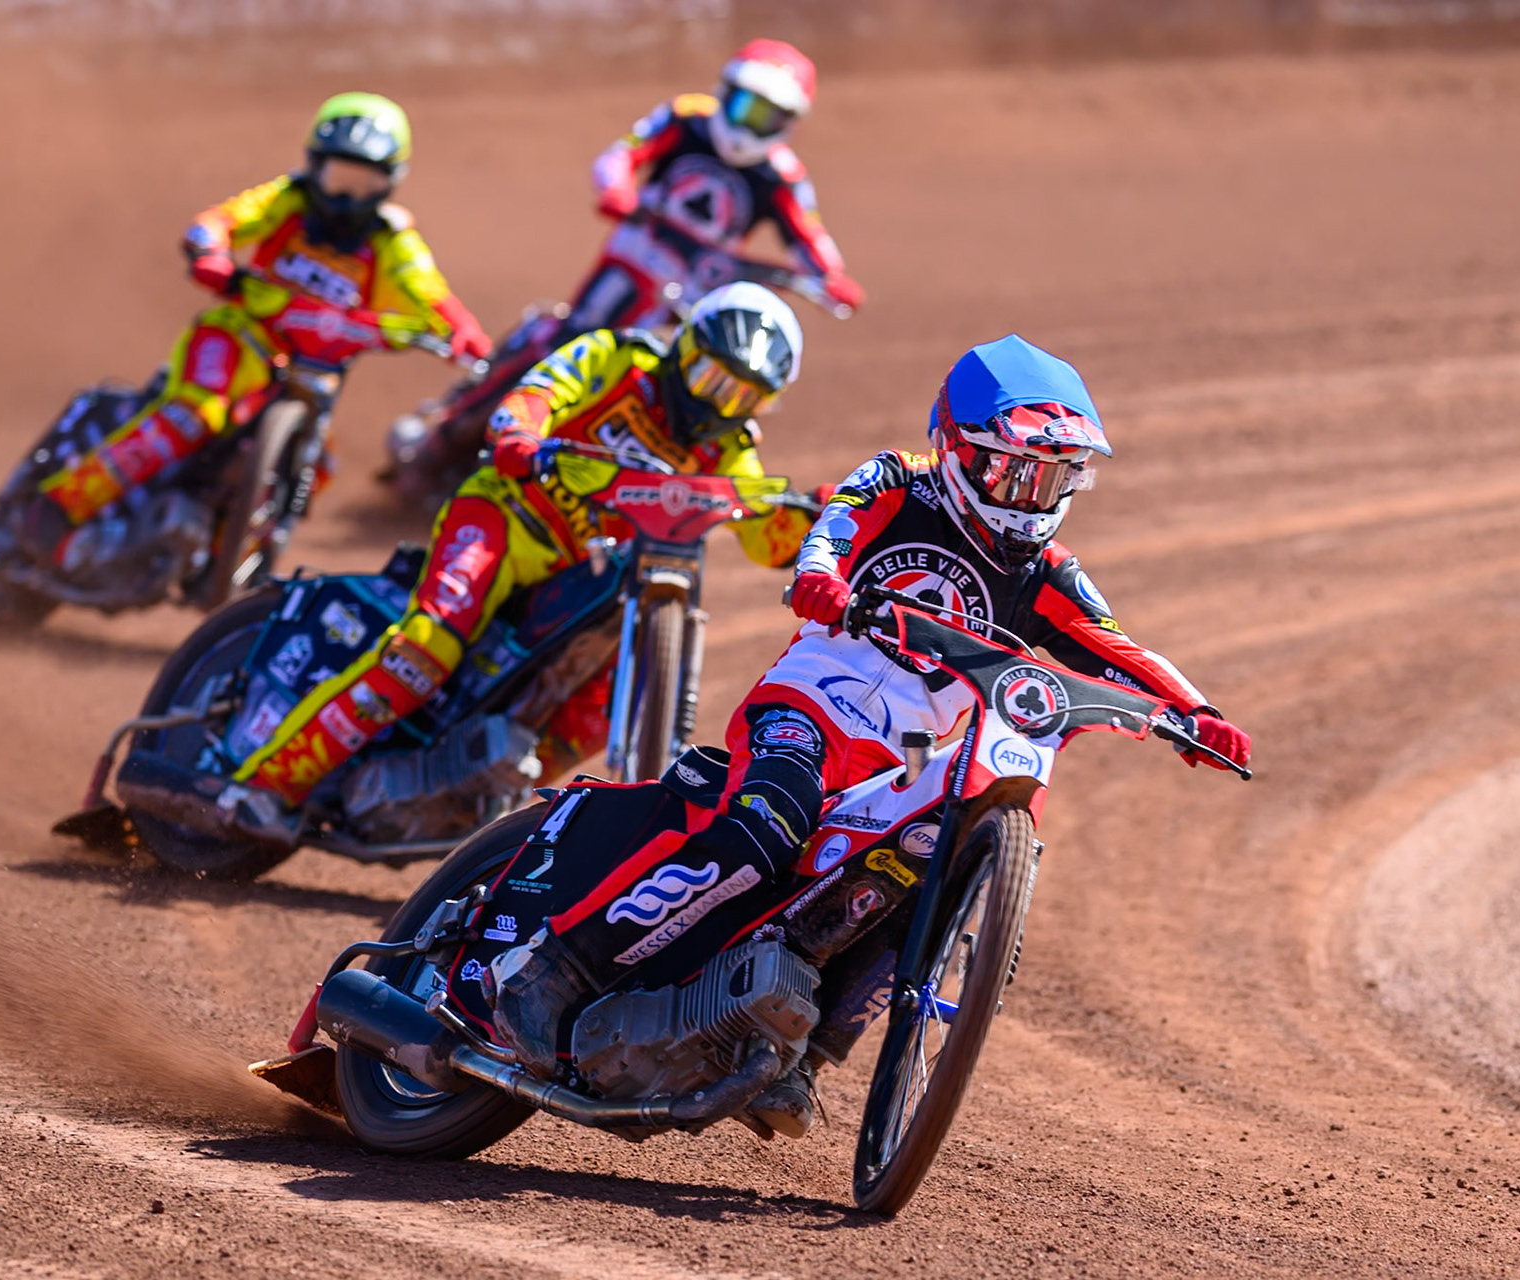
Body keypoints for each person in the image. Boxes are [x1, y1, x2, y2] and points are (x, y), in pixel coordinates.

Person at [489, 334, 1254, 1084]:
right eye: (1018, 474)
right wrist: (821, 577)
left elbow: (1120, 647)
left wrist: (1195, 713)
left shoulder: (1047, 574)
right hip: (809, 709)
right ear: (961, 450)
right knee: (767, 824)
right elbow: (833, 531)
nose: (1033, 502)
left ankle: (804, 1052)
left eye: (1053, 482)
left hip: (900, 762)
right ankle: (551, 971)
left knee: (923, 872)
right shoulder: (900, 483)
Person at [178, 283, 825, 846]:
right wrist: (520, 432)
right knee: (424, 648)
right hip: (504, 520)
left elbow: (766, 534)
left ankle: (472, 806)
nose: (719, 404)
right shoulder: (621, 358)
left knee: (599, 708)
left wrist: (821, 522)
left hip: (583, 580)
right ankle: (254, 786)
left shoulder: (727, 450)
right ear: (685, 349)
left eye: (742, 396)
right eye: (712, 378)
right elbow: (545, 388)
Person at [26, 93, 491, 569]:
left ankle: (223, 549)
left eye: (363, 181)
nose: (344, 196)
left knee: (319, 467)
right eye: (337, 177)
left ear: (390, 181)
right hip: (240, 336)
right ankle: (58, 510)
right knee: (196, 415)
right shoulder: (287, 200)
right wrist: (210, 251)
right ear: (314, 164)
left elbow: (430, 293)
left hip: (311, 375)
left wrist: (466, 335)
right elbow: (223, 221)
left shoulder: (392, 243)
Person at [572, 38, 863, 333]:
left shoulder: (783, 175)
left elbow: (807, 233)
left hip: (701, 286)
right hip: (639, 249)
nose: (750, 125)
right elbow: (622, 153)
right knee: (586, 326)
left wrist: (831, 277)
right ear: (725, 92)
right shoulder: (687, 116)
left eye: (767, 118)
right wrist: (617, 190)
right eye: (745, 107)